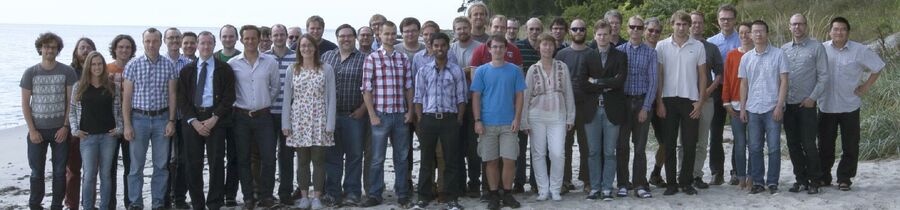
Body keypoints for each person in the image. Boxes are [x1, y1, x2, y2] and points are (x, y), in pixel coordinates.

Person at [819, 17, 885, 191]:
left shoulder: (860, 50)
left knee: (850, 144)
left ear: (848, 32)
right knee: (825, 144)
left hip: (850, 105)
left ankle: (845, 178)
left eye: (842, 29)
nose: (839, 32)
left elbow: (877, 67)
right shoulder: (822, 49)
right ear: (830, 31)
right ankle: (824, 177)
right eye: (835, 29)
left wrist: (865, 86)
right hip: (826, 105)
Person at [176, 31, 236, 210]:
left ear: (214, 45)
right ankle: (198, 203)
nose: (206, 47)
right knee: (192, 164)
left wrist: (214, 118)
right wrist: (193, 121)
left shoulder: (224, 69)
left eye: (209, 43)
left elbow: (229, 96)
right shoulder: (187, 70)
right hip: (192, 120)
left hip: (216, 119)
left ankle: (215, 203)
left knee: (216, 163)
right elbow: (182, 99)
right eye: (202, 43)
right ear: (197, 45)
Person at [359, 21, 415, 208]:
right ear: (380, 36)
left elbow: (409, 87)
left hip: (400, 115)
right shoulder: (372, 59)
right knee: (377, 158)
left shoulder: (403, 58)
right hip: (380, 116)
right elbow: (366, 90)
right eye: (387, 34)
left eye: (393, 34)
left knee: (401, 157)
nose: (390, 37)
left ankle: (402, 193)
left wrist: (410, 111)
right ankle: (375, 194)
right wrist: (372, 114)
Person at [410, 32, 468, 210]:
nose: (439, 48)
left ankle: (452, 198)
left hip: (449, 120)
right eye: (436, 45)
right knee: (426, 160)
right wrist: (420, 119)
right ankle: (423, 197)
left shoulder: (456, 70)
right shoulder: (423, 70)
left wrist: (458, 119)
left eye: (443, 45)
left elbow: (462, 98)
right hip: (428, 120)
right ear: (431, 47)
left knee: (451, 160)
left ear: (448, 47)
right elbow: (418, 97)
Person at [123, 27, 178, 209]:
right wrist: (127, 125)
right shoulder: (133, 65)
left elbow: (172, 94)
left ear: (161, 42)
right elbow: (127, 98)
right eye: (148, 41)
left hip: (162, 118)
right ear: (143, 42)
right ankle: (136, 203)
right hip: (139, 119)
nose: (151, 44)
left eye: (155, 41)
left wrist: (171, 120)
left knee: (161, 165)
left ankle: (158, 203)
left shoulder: (169, 65)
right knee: (136, 166)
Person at [281, 34, 336, 210]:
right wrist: (286, 123)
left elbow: (331, 98)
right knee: (302, 160)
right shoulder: (293, 69)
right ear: (298, 48)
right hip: (298, 119)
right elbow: (287, 99)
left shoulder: (326, 68)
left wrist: (330, 124)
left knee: (319, 160)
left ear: (315, 48)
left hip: (320, 118)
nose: (306, 49)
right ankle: (304, 196)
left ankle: (317, 197)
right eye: (303, 46)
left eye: (309, 45)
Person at [228, 25, 281, 209]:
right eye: (246, 38)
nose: (250, 41)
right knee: (243, 158)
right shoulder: (233, 63)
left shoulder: (270, 62)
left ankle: (266, 196)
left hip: (264, 116)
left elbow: (275, 88)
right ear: (241, 40)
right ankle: (249, 197)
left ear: (260, 40)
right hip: (241, 117)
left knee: (268, 157)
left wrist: (262, 102)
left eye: (253, 38)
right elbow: (230, 90)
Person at [655, 11, 707, 196]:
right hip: (668, 100)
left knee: (689, 143)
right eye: (678, 24)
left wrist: (700, 102)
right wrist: (659, 101)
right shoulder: (661, 46)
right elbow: (659, 76)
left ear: (689, 26)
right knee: (668, 144)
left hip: (690, 101)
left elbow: (702, 76)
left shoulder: (698, 46)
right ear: (672, 25)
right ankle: (671, 183)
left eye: (685, 24)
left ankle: (685, 182)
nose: (681, 27)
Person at [471, 35, 526, 210]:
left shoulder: (515, 71)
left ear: (506, 49)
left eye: (501, 47)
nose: (498, 50)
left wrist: (517, 118)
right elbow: (476, 96)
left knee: (510, 159)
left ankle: (507, 193)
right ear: (489, 49)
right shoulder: (481, 71)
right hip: (487, 123)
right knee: (491, 160)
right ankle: (494, 194)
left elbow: (519, 96)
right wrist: (477, 120)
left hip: (508, 123)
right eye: (494, 47)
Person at [23, 32, 76, 210]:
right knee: (37, 171)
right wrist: (32, 130)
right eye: (46, 47)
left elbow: (71, 101)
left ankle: (56, 205)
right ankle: (35, 205)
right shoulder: (31, 72)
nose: (49, 50)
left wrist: (65, 126)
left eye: (53, 47)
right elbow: (25, 104)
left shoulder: (67, 71)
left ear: (58, 50)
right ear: (40, 48)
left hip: (60, 130)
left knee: (60, 172)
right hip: (37, 130)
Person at [521, 33, 575, 202]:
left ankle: (556, 188)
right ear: (539, 47)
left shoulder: (562, 67)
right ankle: (543, 190)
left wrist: (570, 117)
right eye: (544, 44)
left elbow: (568, 93)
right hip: (536, 116)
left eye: (550, 45)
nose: (547, 47)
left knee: (558, 153)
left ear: (554, 47)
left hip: (558, 115)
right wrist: (524, 120)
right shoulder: (533, 69)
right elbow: (526, 95)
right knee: (538, 153)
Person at [739, 20, 789, 195]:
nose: (758, 34)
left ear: (767, 33)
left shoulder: (779, 54)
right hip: (753, 109)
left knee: (774, 147)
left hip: (772, 107)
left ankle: (773, 182)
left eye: (761, 31)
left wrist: (779, 105)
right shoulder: (746, 58)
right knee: (754, 147)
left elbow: (784, 81)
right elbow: (744, 84)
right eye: (754, 32)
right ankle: (758, 182)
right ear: (751, 35)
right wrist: (743, 108)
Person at [321, 24, 368, 207]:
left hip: (354, 116)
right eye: (342, 36)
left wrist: (363, 109)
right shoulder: (326, 57)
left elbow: (371, 87)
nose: (345, 39)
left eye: (349, 36)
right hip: (330, 116)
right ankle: (333, 193)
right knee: (332, 157)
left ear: (355, 38)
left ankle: (352, 193)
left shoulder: (364, 59)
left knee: (354, 156)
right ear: (337, 37)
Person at [781, 13, 828, 194]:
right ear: (789, 27)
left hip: (806, 105)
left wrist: (812, 98)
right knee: (793, 144)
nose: (797, 27)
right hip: (788, 105)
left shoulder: (817, 47)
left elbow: (824, 76)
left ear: (806, 26)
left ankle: (815, 180)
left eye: (800, 24)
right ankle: (800, 179)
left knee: (809, 144)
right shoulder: (783, 49)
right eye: (794, 24)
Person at [69, 52, 122, 210]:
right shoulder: (79, 86)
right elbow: (72, 110)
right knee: (89, 175)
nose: (97, 67)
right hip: (87, 137)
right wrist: (74, 129)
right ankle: (87, 207)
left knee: (105, 175)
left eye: (99, 64)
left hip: (108, 137)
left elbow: (119, 111)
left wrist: (120, 128)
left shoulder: (113, 86)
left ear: (103, 66)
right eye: (93, 64)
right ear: (88, 67)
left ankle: (104, 207)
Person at [581, 19, 627, 201]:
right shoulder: (588, 56)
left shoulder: (620, 56)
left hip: (612, 110)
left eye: (605, 34)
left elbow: (620, 81)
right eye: (599, 34)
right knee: (593, 151)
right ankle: (595, 188)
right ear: (595, 35)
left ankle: (607, 188)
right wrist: (606, 83)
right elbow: (583, 83)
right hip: (592, 110)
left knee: (609, 152)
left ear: (611, 35)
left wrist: (597, 82)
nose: (602, 37)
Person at [679, 11, 724, 189]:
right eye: (693, 22)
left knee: (702, 141)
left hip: (707, 100)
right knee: (683, 141)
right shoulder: (681, 45)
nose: (696, 25)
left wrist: (707, 91)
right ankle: (683, 174)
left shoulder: (711, 48)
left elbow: (719, 73)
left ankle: (697, 174)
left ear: (704, 25)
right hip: (685, 100)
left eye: (700, 22)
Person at [615, 15, 658, 199]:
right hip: (623, 103)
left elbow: (653, 82)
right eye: (632, 26)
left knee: (640, 148)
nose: (635, 30)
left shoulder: (651, 53)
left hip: (641, 102)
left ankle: (640, 184)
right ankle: (623, 184)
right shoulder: (618, 51)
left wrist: (646, 107)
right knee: (622, 146)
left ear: (643, 30)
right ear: (627, 29)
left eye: (639, 27)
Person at [554, 18, 593, 194]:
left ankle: (587, 180)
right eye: (575, 29)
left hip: (586, 106)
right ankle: (564, 180)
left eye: (582, 29)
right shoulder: (561, 54)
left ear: (586, 31)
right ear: (570, 31)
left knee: (587, 145)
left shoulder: (592, 53)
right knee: (564, 145)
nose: (578, 32)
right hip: (565, 107)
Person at [447, 16, 484, 198]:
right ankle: (460, 183)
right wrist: (466, 71)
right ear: (454, 30)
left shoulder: (479, 47)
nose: (462, 31)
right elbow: (448, 73)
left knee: (473, 146)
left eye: (464, 28)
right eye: (458, 28)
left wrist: (463, 71)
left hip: (474, 102)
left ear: (470, 28)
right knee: (456, 146)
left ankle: (475, 182)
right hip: (454, 103)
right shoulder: (450, 49)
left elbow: (481, 72)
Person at [264, 24, 298, 205]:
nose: (278, 37)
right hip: (268, 114)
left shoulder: (296, 57)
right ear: (270, 37)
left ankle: (285, 193)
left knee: (286, 155)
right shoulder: (264, 57)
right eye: (275, 34)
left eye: (281, 34)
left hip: (289, 114)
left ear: (287, 36)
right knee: (268, 156)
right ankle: (267, 194)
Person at [707, 4, 741, 185]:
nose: (726, 21)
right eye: (722, 18)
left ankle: (736, 170)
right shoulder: (711, 42)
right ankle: (716, 172)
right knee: (715, 132)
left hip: (738, 90)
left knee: (738, 132)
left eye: (729, 18)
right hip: (717, 89)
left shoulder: (743, 40)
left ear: (735, 20)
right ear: (718, 20)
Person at [721, 22, 753, 190]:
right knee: (739, 143)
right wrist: (726, 102)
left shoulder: (758, 54)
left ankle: (751, 176)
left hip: (755, 106)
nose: (744, 36)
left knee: (754, 144)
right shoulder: (732, 55)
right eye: (741, 32)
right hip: (734, 104)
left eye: (748, 32)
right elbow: (726, 79)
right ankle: (740, 176)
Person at [162, 27, 191, 209]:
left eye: (177, 38)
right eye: (170, 38)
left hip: (183, 118)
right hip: (163, 118)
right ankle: (164, 197)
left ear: (181, 41)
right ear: (165, 40)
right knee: (163, 159)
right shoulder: (159, 61)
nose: (174, 41)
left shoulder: (188, 63)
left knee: (183, 159)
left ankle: (179, 196)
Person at [106, 34, 136, 209]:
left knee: (130, 166)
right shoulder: (106, 69)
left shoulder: (136, 67)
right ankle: (110, 204)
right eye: (121, 47)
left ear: (132, 50)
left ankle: (130, 203)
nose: (124, 50)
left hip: (131, 122)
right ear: (115, 49)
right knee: (109, 168)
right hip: (109, 124)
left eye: (128, 47)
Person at [513, 18, 543, 193]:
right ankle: (518, 181)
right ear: (526, 29)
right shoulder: (518, 47)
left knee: (538, 146)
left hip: (540, 102)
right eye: (531, 28)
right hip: (521, 100)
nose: (534, 32)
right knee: (520, 144)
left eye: (538, 29)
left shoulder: (544, 47)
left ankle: (535, 181)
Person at [66, 37, 95, 210]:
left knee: (91, 172)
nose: (85, 50)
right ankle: (71, 205)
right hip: (74, 129)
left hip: (95, 129)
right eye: (82, 47)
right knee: (73, 170)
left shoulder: (98, 70)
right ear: (76, 52)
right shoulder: (69, 72)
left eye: (88, 47)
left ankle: (88, 204)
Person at [219, 24, 242, 207]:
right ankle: (218, 191)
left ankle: (231, 194)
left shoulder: (242, 57)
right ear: (220, 38)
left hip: (237, 115)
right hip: (218, 116)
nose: (228, 39)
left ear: (236, 38)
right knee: (217, 157)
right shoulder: (214, 57)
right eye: (225, 36)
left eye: (231, 36)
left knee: (235, 156)